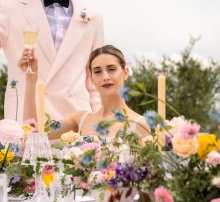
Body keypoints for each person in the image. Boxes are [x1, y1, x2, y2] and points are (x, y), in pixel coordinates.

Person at [17, 44, 150, 140]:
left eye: (111, 69)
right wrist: (31, 78)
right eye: (97, 71)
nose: (105, 76)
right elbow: (33, 132)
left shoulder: (138, 124)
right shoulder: (81, 120)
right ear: (91, 78)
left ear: (125, 72)